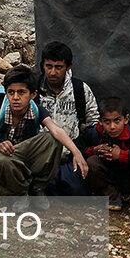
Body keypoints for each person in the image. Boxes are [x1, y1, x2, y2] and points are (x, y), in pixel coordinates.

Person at [0, 65, 86, 210]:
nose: (16, 98)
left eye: (21, 92)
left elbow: (56, 130)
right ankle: (21, 192)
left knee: (53, 139)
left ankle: (38, 187)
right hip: (3, 164)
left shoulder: (37, 111)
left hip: (23, 160)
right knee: (1, 159)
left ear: (33, 94)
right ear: (6, 93)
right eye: (11, 92)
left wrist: (76, 152)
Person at [75, 97, 130, 212]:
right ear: (100, 121)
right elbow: (74, 150)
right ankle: (112, 196)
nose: (112, 127)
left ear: (126, 119)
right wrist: (93, 150)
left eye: (117, 121)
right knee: (92, 162)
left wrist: (122, 155)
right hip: (110, 180)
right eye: (107, 121)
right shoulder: (94, 134)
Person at [38, 41, 100, 196]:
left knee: (77, 195)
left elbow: (94, 121)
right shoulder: (34, 89)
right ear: (43, 65)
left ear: (68, 67)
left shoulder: (80, 89)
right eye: (48, 66)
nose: (52, 72)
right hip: (41, 159)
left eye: (58, 67)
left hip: (71, 158)